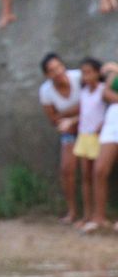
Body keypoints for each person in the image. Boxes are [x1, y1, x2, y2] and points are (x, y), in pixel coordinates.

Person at [38, 52, 81, 223]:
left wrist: (66, 114)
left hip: (92, 127)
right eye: (52, 70)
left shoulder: (78, 77)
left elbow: (92, 102)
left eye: (59, 67)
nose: (58, 71)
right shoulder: (46, 91)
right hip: (69, 132)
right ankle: (72, 211)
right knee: (66, 170)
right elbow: (53, 120)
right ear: (47, 75)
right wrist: (75, 114)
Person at [74, 58, 106, 231]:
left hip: (97, 137)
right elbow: (82, 113)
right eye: (83, 73)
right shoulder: (84, 92)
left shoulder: (103, 90)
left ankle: (97, 215)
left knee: (96, 175)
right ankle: (87, 215)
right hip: (83, 136)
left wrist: (100, 127)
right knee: (85, 177)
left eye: (89, 72)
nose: (86, 77)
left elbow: (108, 110)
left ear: (98, 73)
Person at [89, 60, 118, 231]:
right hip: (113, 121)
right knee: (100, 170)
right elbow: (105, 94)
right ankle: (99, 218)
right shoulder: (115, 69)